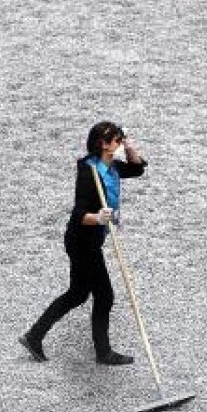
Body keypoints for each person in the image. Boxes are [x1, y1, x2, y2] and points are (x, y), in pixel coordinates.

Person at [19, 121, 148, 365]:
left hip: (92, 240)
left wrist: (131, 147)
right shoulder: (89, 173)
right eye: (117, 140)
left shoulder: (113, 167)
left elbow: (138, 168)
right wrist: (99, 217)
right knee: (104, 295)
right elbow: (79, 214)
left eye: (122, 139)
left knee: (77, 294)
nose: (120, 143)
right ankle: (103, 352)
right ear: (103, 144)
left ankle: (34, 335)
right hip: (82, 241)